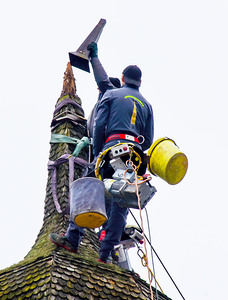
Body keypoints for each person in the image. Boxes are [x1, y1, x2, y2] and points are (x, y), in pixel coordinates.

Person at [50, 46, 154, 263]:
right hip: (133, 158)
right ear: (140, 83)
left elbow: (98, 126)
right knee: (122, 200)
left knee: (89, 185)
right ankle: (105, 254)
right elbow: (149, 140)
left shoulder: (111, 95)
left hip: (111, 150)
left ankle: (72, 238)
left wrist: (97, 154)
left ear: (123, 78)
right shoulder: (147, 105)